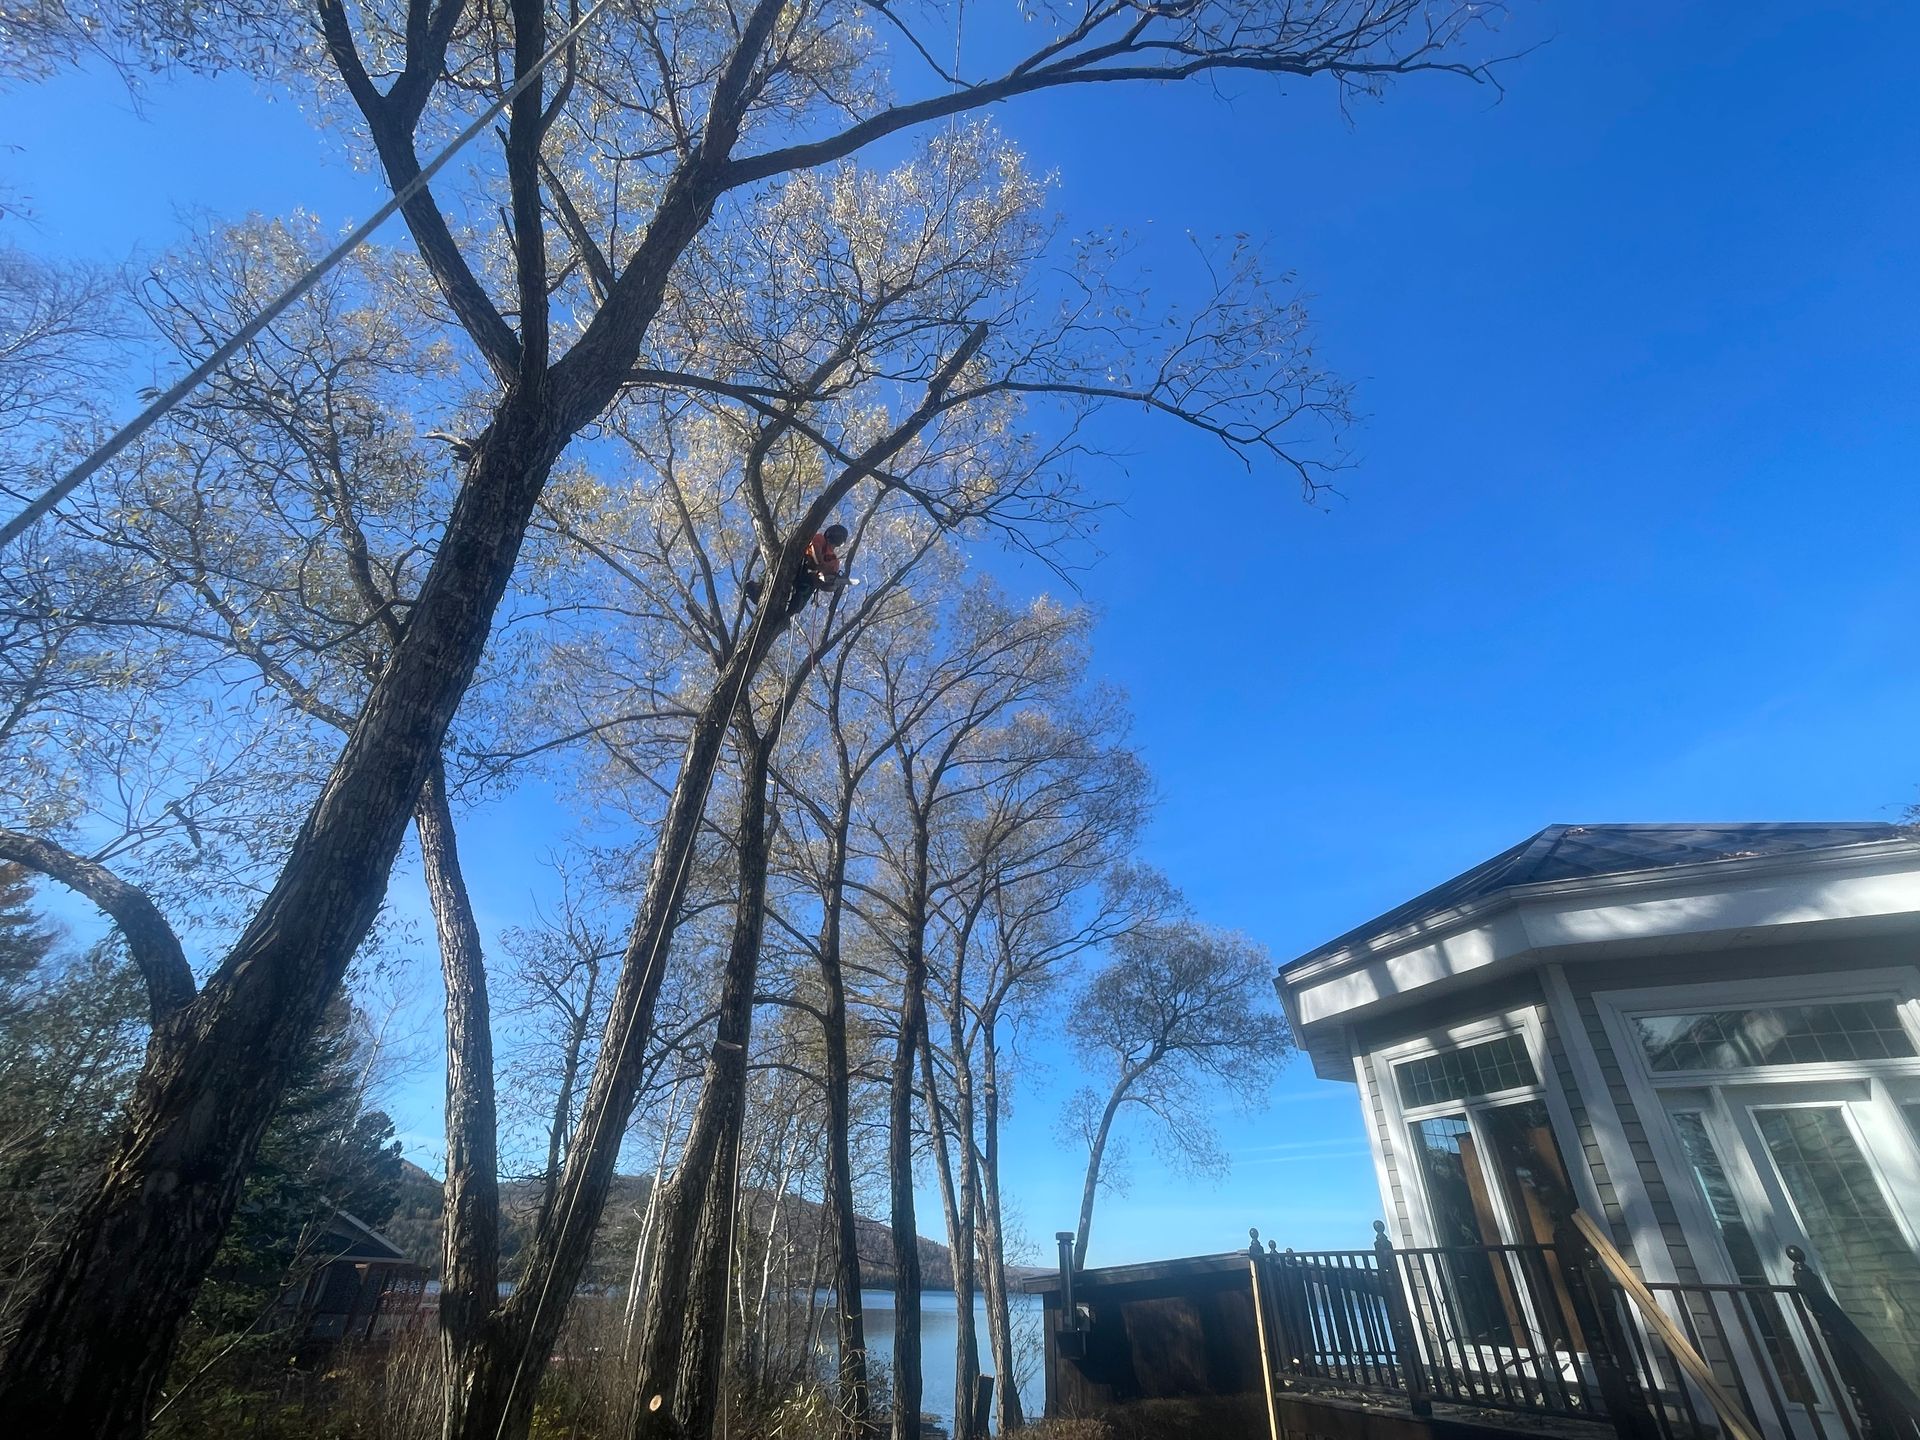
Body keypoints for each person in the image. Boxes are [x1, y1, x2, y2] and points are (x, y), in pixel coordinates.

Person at [745, 524, 849, 617]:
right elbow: (814, 548)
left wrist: (832, 583)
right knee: (778, 564)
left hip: (809, 577)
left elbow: (827, 579)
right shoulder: (820, 538)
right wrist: (820, 564)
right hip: (800, 564)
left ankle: (791, 610)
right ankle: (760, 588)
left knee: (809, 585)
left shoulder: (834, 561)